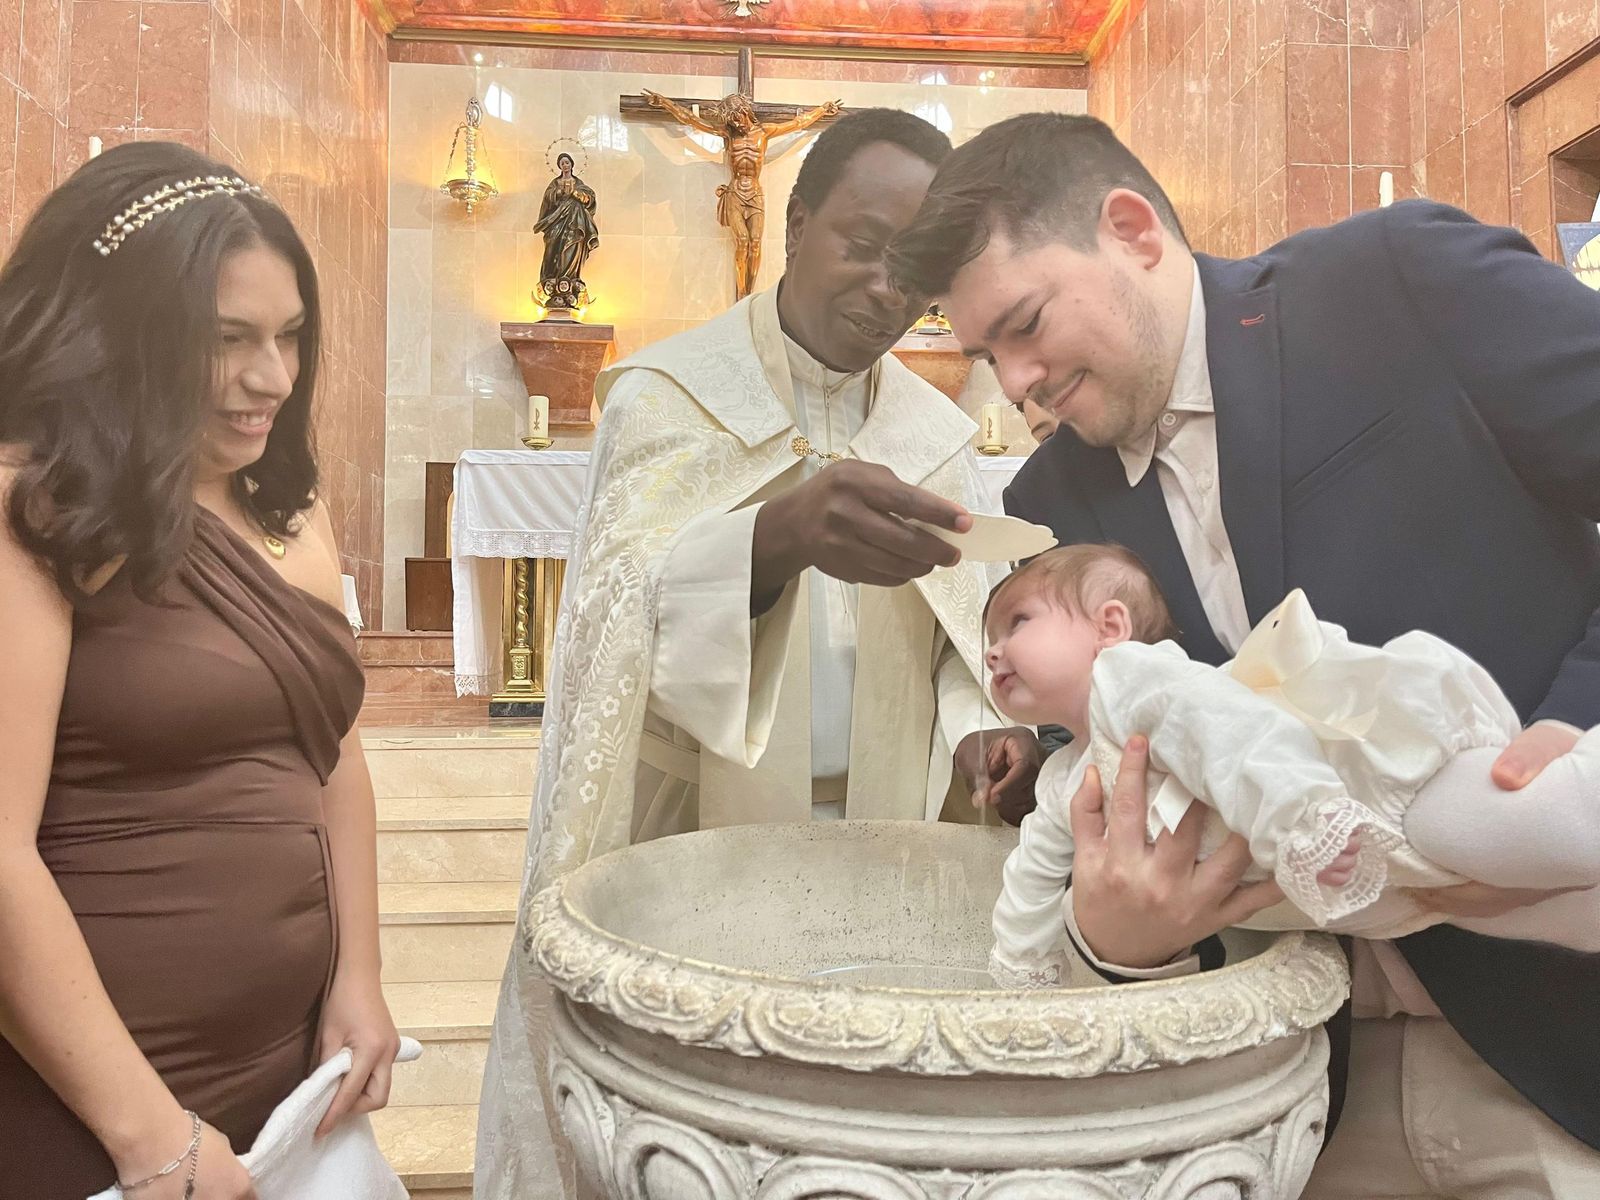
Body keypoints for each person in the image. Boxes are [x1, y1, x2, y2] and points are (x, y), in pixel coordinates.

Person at [888, 110, 1600, 1197]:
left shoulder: (1394, 280)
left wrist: (1582, 714)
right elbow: (1116, 773)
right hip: (1289, 1097)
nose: (1015, 383)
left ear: (1129, 229)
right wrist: (1117, 937)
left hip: (1564, 1041)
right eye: (988, 355)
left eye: (1026, 325)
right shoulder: (1050, 508)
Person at [477, 107, 1042, 1197]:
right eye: (863, 244)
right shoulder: (666, 399)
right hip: (695, 842)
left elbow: (964, 647)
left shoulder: (932, 436)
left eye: (915, 265)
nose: (887, 288)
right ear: (796, 221)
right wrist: (769, 544)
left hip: (885, 844)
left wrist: (987, 735)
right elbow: (608, 634)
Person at [0, 143, 398, 1199]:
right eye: (226, 342)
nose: (271, 379)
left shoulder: (285, 506)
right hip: (88, 1100)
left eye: (290, 338)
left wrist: (357, 977)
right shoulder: (27, 511)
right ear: (118, 334)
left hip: (285, 1077)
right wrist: (144, 1132)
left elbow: (335, 762)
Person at [982, 544, 1600, 988]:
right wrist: (1019, 968)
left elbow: (1235, 733)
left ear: (1109, 626)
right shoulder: (1067, 774)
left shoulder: (1134, 680)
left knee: (1546, 829)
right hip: (1355, 884)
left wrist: (1304, 820)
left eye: (1018, 622)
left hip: (1364, 797)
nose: (993, 650)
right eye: (988, 643)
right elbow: (1032, 872)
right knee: (1536, 911)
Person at [533, 152, 599, 313]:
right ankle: (551, 282)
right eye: (562, 163)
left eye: (567, 162)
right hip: (556, 222)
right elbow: (548, 200)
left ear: (571, 164)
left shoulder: (579, 184)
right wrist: (558, 194)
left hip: (575, 226)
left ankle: (569, 281)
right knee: (552, 249)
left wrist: (578, 195)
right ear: (559, 166)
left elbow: (590, 198)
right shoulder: (554, 184)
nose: (565, 165)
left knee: (572, 249)